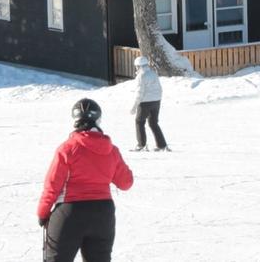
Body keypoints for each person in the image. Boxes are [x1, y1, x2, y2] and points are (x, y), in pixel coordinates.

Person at [36, 98, 134, 262]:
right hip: (103, 213)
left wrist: (43, 212)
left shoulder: (67, 148)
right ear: (98, 120)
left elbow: (52, 186)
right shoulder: (112, 150)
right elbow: (126, 183)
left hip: (70, 212)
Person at [129, 56, 168, 152]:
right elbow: (160, 89)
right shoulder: (153, 73)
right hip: (156, 101)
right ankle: (161, 145)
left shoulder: (141, 76)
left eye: (136, 66)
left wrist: (134, 106)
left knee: (139, 122)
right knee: (153, 123)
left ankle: (141, 145)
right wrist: (157, 100)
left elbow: (139, 93)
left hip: (145, 103)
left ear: (138, 66)